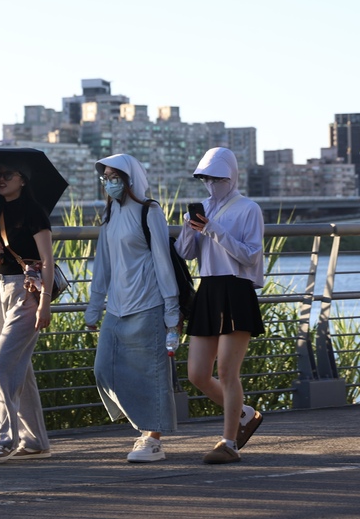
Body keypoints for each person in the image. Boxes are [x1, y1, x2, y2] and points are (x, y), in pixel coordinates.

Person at [84, 154, 179, 463]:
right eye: (105, 178)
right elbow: (103, 265)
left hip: (148, 304)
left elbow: (164, 262)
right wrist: (94, 309)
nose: (109, 183)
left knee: (152, 374)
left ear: (130, 179)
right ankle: (144, 426)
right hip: (116, 308)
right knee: (103, 369)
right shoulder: (109, 214)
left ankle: (153, 438)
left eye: (115, 177)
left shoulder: (148, 211)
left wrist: (172, 313)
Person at [174, 146, 265, 464]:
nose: (212, 184)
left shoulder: (248, 208)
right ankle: (245, 414)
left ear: (231, 176)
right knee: (198, 374)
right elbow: (186, 254)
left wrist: (213, 229)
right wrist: (189, 228)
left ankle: (229, 442)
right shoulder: (203, 210)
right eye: (206, 178)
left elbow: (250, 255)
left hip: (236, 289)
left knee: (227, 370)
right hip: (208, 289)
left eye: (217, 177)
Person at [0, 161, 53, 463]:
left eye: (7, 174)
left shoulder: (34, 212)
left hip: (28, 293)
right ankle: (35, 441)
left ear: (22, 179)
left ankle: (6, 437)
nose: (1, 179)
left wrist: (45, 303)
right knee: (19, 367)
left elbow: (47, 260)